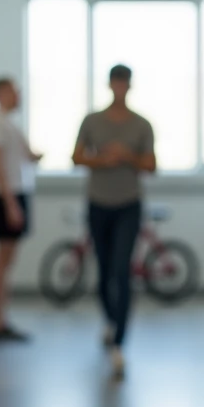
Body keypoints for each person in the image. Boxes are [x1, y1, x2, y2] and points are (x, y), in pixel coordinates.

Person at [72, 64, 156, 379]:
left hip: (129, 205)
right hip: (98, 204)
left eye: (125, 83)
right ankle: (110, 320)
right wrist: (102, 159)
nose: (120, 87)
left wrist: (127, 156)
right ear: (109, 85)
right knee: (104, 271)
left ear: (129, 86)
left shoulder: (141, 125)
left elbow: (151, 164)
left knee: (122, 271)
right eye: (115, 82)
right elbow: (76, 157)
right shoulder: (92, 121)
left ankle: (120, 343)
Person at [0, 76, 42, 342]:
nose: (18, 94)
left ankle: (3, 319)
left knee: (9, 260)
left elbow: (25, 157)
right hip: (7, 196)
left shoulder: (11, 124)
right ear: (0, 93)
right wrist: (9, 203)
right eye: (12, 91)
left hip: (18, 193)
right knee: (3, 259)